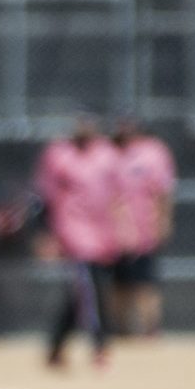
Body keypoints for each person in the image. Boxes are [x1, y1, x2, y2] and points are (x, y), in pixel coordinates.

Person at [35, 114, 123, 372]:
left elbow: (118, 196)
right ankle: (100, 346)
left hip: (102, 234)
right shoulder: (59, 155)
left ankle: (55, 347)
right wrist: (47, 235)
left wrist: (122, 228)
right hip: (73, 233)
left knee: (81, 295)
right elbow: (45, 198)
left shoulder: (107, 155)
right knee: (91, 290)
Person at [109, 115, 177, 341]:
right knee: (119, 285)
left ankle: (151, 331)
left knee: (145, 284)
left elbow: (163, 192)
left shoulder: (153, 152)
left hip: (143, 230)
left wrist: (164, 221)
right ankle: (123, 331)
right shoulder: (108, 153)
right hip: (113, 233)